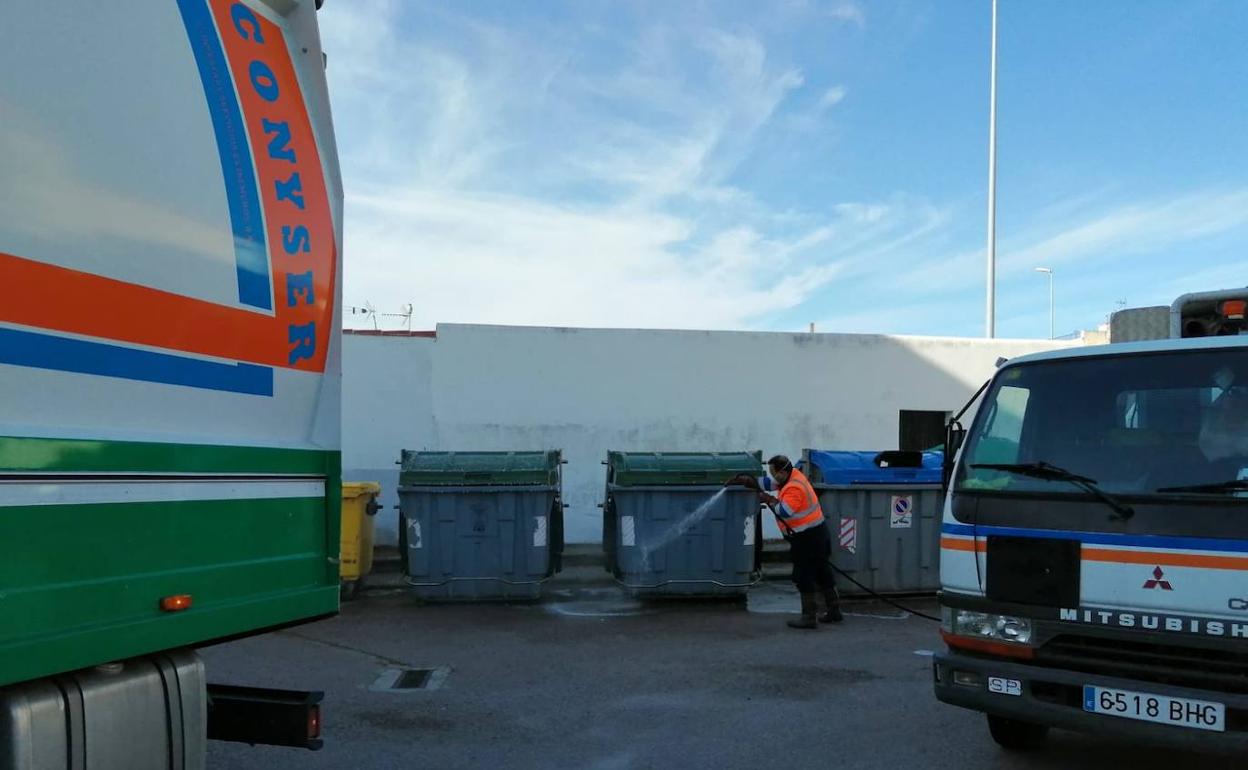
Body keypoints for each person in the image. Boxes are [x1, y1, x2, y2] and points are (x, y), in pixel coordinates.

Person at [728, 455, 842, 629]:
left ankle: (809, 617)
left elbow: (784, 511)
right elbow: (771, 483)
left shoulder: (794, 487)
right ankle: (834, 610)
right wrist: (749, 481)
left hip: (807, 538)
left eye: (774, 472)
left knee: (803, 575)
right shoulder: (793, 475)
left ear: (782, 471)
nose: (773, 476)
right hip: (817, 534)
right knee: (821, 571)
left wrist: (767, 499)